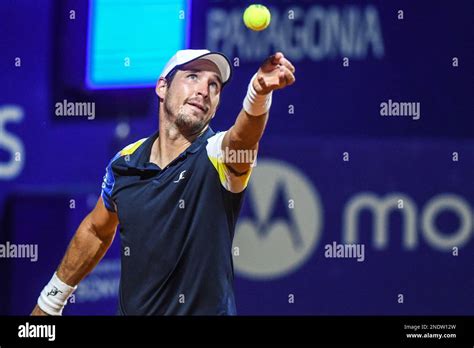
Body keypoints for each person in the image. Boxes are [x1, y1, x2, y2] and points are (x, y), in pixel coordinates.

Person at [31, 49, 295, 315]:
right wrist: (50, 302)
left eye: (214, 85)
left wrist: (258, 95)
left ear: (215, 106)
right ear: (162, 87)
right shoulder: (124, 164)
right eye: (193, 77)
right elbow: (96, 230)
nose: (204, 90)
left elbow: (242, 139)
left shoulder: (219, 156)